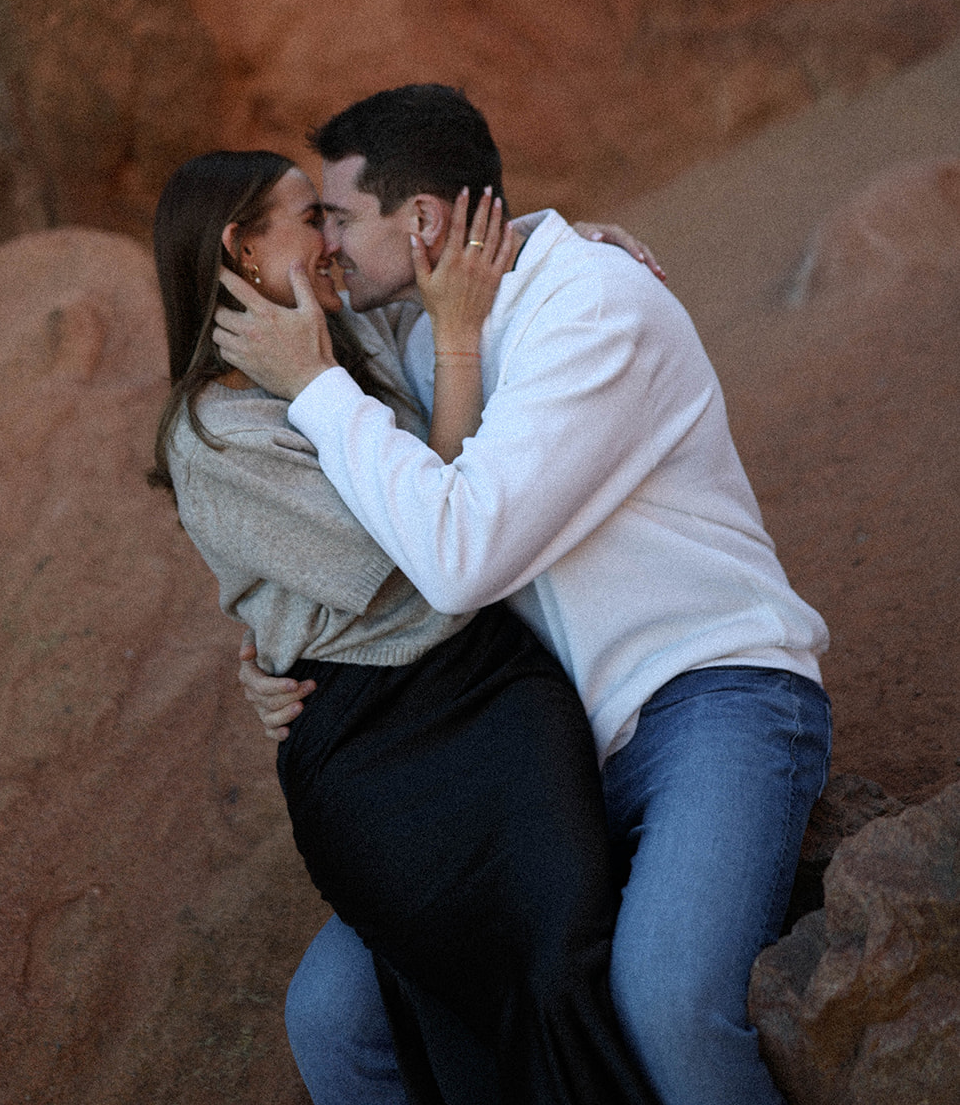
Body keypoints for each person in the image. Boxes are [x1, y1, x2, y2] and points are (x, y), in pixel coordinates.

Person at [216, 84, 832, 1105]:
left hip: (708, 701)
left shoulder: (591, 303)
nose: (322, 242)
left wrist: (312, 389)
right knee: (332, 1019)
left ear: (419, 221)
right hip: (534, 755)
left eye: (336, 217)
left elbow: (461, 557)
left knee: (667, 1000)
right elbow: (380, 541)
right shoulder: (420, 341)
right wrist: (272, 659)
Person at [151, 149, 658, 1105]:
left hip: (497, 691)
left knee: (567, 950)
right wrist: (454, 352)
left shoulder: (350, 334)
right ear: (241, 248)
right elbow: (426, 548)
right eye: (310, 220)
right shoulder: (216, 438)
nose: (333, 242)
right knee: (466, 1010)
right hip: (377, 752)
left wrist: (573, 245)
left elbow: (461, 265)